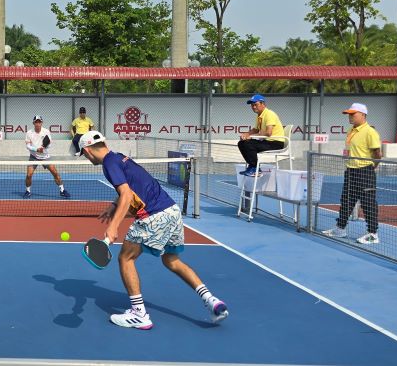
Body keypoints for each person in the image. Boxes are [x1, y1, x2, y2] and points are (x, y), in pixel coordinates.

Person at [78, 130, 228, 330]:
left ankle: (139, 314)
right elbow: (132, 188)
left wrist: (113, 226)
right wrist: (113, 206)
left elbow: (126, 196)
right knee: (171, 260)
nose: (86, 158)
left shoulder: (108, 164)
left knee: (125, 258)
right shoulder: (120, 158)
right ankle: (211, 300)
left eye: (84, 154)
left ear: (87, 150)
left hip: (153, 215)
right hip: (172, 211)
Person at [322, 103, 382, 244]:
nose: (350, 116)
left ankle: (373, 234)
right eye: (349, 114)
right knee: (347, 201)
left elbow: (377, 154)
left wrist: (371, 167)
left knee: (368, 203)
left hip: (364, 171)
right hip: (350, 171)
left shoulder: (370, 132)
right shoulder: (351, 130)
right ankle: (340, 229)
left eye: (353, 114)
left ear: (363, 115)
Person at [237, 94, 286, 177]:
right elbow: (256, 130)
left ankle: (255, 169)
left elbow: (268, 132)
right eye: (252, 105)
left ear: (263, 104)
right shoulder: (259, 116)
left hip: (276, 143)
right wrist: (247, 134)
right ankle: (253, 167)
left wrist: (251, 136)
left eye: (255, 104)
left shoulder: (269, 114)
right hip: (267, 142)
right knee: (241, 143)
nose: (253, 107)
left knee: (248, 144)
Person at [24, 115, 69, 199]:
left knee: (55, 173)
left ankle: (62, 190)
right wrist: (36, 149)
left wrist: (43, 148)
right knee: (29, 175)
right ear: (33, 123)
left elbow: (49, 144)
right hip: (33, 157)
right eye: (36, 122)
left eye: (39, 122)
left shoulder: (46, 131)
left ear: (41, 123)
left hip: (45, 156)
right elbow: (28, 146)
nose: (38, 123)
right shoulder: (29, 133)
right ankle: (28, 191)